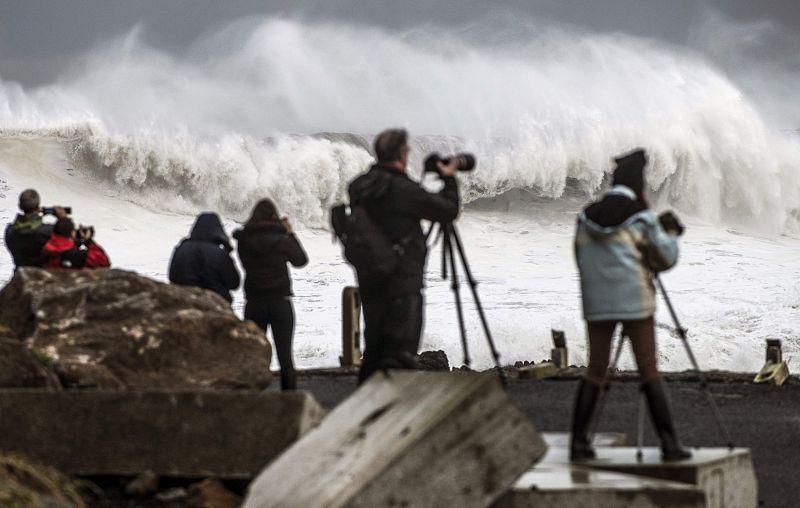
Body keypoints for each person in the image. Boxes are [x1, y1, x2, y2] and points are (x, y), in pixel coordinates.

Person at [571, 148, 690, 462]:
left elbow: (579, 257)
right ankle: (669, 445)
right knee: (649, 371)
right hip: (635, 303)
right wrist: (672, 233)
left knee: (595, 370)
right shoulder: (642, 217)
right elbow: (664, 258)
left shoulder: (585, 216)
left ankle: (578, 443)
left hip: (597, 305)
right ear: (638, 183)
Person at [348, 128, 460, 384]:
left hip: (371, 277)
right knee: (401, 354)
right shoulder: (403, 189)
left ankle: (364, 409)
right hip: (401, 283)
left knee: (375, 350)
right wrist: (450, 179)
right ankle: (394, 413)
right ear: (402, 154)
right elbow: (447, 210)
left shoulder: (360, 186)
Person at [234, 199, 308, 391]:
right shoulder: (282, 239)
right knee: (285, 357)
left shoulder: (244, 241)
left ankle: (255, 402)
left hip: (255, 303)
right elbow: (301, 260)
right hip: (280, 302)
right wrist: (289, 233)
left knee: (255, 356)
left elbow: (245, 263)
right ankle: (290, 402)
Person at [168, 212, 240, 303]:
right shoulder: (219, 253)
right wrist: (227, 252)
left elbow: (172, 276)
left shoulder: (181, 248)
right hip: (213, 305)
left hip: (183, 302)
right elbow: (234, 283)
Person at [4, 189, 64, 269]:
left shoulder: (10, 231)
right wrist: (63, 219)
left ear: (20, 206)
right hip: (41, 277)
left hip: (19, 276)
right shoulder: (48, 231)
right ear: (38, 206)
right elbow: (66, 242)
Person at [42, 218, 111, 269]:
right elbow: (104, 262)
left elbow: (62, 245)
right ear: (72, 233)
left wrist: (77, 242)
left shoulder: (45, 246)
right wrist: (88, 241)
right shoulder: (78, 255)